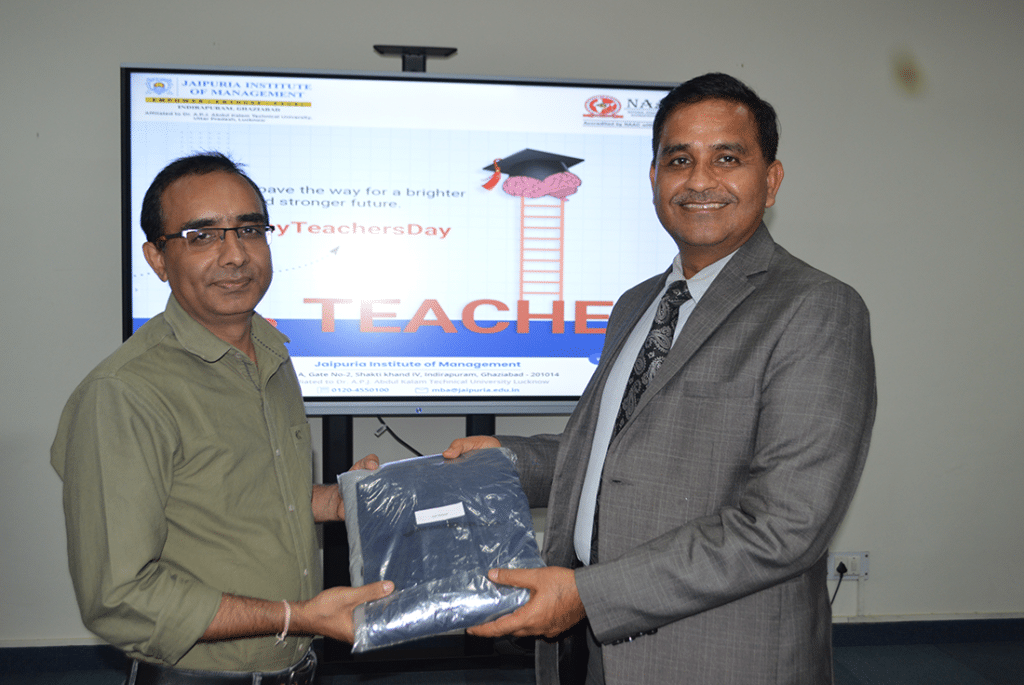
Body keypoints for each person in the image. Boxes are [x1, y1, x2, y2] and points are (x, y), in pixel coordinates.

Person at [444, 73, 877, 684]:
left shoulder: (816, 307)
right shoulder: (637, 303)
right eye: (679, 160)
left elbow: (785, 525)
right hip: (595, 650)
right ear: (654, 179)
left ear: (772, 179)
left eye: (727, 158)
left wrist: (589, 595)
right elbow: (615, 454)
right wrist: (505, 461)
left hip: (721, 656)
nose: (699, 180)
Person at [51, 153, 392, 685]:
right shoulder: (124, 393)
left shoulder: (269, 351)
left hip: (296, 668)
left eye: (249, 230)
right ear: (158, 258)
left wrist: (334, 500)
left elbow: (234, 496)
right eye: (202, 236)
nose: (235, 255)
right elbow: (120, 598)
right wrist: (296, 617)